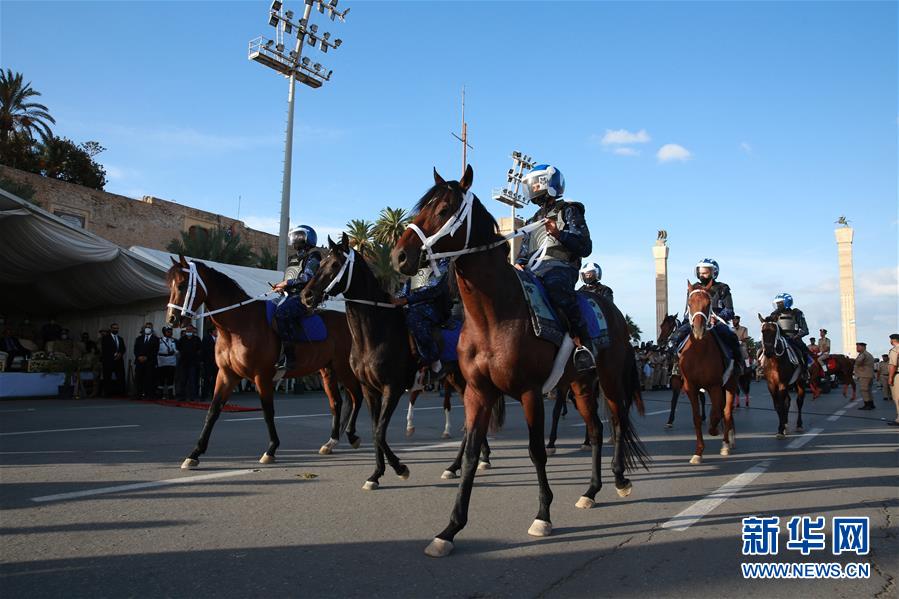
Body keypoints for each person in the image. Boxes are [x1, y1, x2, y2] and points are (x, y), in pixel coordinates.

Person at [514, 164, 595, 371]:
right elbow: (524, 251)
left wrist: (560, 234)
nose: (533, 187)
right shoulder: (533, 220)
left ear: (551, 183)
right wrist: (519, 264)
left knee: (557, 289)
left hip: (561, 267)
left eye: (537, 182)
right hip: (534, 270)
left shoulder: (569, 210)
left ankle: (582, 343)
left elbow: (585, 247)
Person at [671, 258, 745, 374]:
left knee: (731, 337)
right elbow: (687, 310)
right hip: (695, 321)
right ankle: (676, 367)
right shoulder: (693, 288)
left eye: (705, 272)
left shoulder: (723, 288)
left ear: (713, 272)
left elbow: (730, 310)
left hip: (717, 321)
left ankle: (738, 365)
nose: (702, 275)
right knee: (676, 337)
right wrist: (687, 322)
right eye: (700, 272)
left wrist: (717, 317)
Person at [392, 256, 452, 377]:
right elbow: (405, 290)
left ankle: (433, 359)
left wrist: (407, 300)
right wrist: (393, 299)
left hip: (434, 308)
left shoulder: (442, 265)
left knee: (414, 318)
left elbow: (433, 290)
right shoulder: (423, 271)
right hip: (414, 306)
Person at [272, 225, 321, 371]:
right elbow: (290, 276)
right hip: (288, 295)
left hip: (302, 297)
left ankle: (290, 357)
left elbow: (307, 277)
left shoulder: (314, 256)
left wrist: (286, 283)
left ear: (307, 238)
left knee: (281, 313)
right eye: (294, 236)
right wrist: (281, 287)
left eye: (298, 236)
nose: (295, 239)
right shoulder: (292, 258)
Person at [767, 293, 814, 369]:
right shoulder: (774, 314)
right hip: (779, 339)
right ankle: (761, 367)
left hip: (794, 339)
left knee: (804, 351)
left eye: (780, 303)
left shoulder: (797, 313)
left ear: (786, 303)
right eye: (777, 303)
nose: (778, 305)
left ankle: (806, 369)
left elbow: (805, 330)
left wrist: (796, 336)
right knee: (764, 348)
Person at [133, 322, 159, 399]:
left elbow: (155, 351)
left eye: (149, 327)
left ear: (152, 329)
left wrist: (146, 357)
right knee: (138, 378)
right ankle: (138, 394)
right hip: (139, 361)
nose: (148, 329)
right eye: (146, 327)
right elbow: (136, 349)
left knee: (149, 378)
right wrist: (139, 357)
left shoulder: (156, 339)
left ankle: (148, 395)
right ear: (144, 329)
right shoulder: (139, 338)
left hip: (150, 362)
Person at [176, 325, 202, 400]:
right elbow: (178, 348)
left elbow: (200, 349)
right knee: (183, 380)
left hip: (193, 363)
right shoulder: (182, 339)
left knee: (192, 380)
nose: (189, 331)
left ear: (193, 331)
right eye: (187, 330)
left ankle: (192, 396)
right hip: (183, 363)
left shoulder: (197, 339)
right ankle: (182, 396)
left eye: (190, 330)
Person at [100, 323, 126, 396]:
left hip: (119, 360)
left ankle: (121, 392)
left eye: (117, 328)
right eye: (114, 328)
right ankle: (107, 393)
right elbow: (105, 349)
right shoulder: (105, 338)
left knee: (120, 376)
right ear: (111, 329)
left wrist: (120, 354)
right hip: (109, 360)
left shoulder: (120, 338)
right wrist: (114, 354)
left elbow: (123, 348)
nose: (115, 329)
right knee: (107, 376)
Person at [156, 326, 178, 399]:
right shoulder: (159, 340)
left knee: (170, 378)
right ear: (164, 332)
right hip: (161, 360)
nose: (170, 333)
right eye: (168, 331)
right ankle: (160, 394)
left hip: (171, 361)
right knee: (161, 378)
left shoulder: (175, 340)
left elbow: (178, 350)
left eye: (171, 331)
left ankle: (170, 394)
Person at [854, 342, 875, 410]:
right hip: (869, 374)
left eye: (858, 347)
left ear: (863, 347)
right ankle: (871, 404)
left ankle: (867, 405)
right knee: (868, 390)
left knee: (864, 390)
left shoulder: (863, 354)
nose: (857, 348)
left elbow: (858, 362)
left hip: (864, 375)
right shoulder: (868, 354)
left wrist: (855, 363)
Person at [201, 326, 219, 399]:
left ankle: (214, 395)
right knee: (207, 379)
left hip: (217, 362)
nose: (217, 332)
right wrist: (203, 361)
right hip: (208, 362)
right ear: (212, 331)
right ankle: (204, 395)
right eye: (216, 331)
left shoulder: (219, 339)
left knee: (216, 379)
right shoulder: (206, 338)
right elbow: (204, 350)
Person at [887, 334, 899, 426]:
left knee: (897, 398)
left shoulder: (895, 350)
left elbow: (893, 365)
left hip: (897, 376)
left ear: (893, 340)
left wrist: (890, 378)